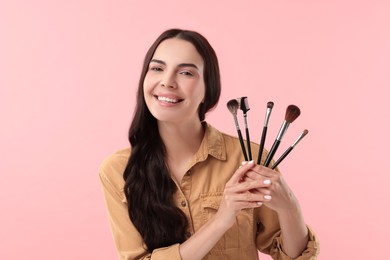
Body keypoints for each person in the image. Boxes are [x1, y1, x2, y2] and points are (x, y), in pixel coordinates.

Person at [99, 28, 320, 260]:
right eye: (157, 68)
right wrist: (222, 219)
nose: (167, 81)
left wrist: (290, 207)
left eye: (185, 72)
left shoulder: (248, 158)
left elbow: (289, 254)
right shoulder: (117, 171)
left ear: (208, 88)